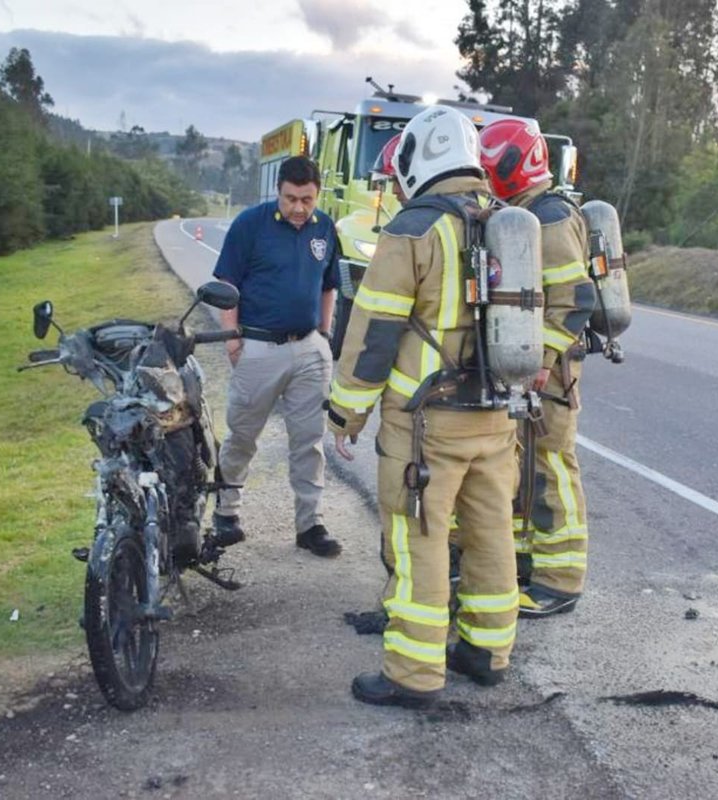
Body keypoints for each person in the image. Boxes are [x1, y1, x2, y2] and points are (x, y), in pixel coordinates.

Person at [328, 105, 521, 708]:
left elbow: (374, 333)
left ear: (418, 159)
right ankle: (487, 652)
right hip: (495, 416)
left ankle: (413, 674)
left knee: (420, 538)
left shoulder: (413, 230)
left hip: (425, 425)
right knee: (490, 534)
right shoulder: (502, 224)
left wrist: (346, 413)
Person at [478, 118, 596, 618]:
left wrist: (542, 360)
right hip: (531, 367)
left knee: (552, 467)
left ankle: (561, 580)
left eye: (492, 170)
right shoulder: (525, 213)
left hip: (549, 371)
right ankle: (528, 561)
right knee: (525, 470)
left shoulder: (548, 216)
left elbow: (574, 298)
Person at [208, 155, 343, 558]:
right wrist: (233, 340)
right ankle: (227, 513)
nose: (299, 208)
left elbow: (328, 285)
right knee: (242, 436)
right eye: (290, 198)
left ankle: (310, 524)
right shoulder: (250, 224)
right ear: (278, 192)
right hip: (258, 348)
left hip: (309, 351)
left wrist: (324, 335)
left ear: (317, 194)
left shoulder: (325, 229)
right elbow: (226, 283)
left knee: (309, 442)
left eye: (307, 199)